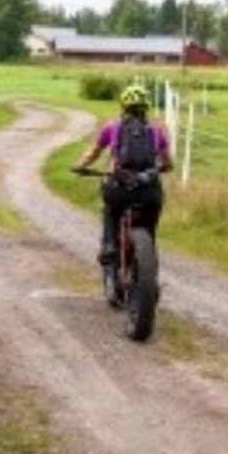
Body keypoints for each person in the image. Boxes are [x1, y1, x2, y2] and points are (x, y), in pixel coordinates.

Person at [72, 85, 173, 301]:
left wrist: (81, 165)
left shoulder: (112, 128)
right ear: (146, 108)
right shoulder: (157, 132)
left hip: (119, 188)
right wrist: (156, 171)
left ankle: (109, 244)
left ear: (123, 107)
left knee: (110, 209)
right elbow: (167, 163)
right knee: (150, 230)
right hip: (149, 192)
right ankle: (149, 272)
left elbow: (94, 152)